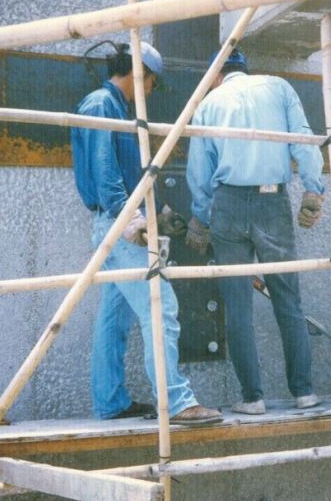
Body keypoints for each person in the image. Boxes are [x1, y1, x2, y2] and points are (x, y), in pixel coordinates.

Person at [71, 40, 222, 425]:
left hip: (112, 224)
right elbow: (107, 176)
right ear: (142, 74)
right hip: (118, 225)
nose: (152, 91)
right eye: (153, 82)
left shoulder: (111, 106)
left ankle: (110, 402)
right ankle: (176, 401)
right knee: (162, 307)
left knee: (114, 318)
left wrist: (159, 214)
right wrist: (134, 221)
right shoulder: (102, 106)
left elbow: (122, 176)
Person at [185, 48, 325, 415]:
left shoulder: (208, 103)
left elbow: (200, 172)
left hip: (228, 203)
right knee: (288, 300)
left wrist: (200, 219)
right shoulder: (278, 88)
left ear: (217, 74)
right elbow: (303, 137)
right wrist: (313, 189)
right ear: (247, 68)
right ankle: (304, 393)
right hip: (272, 201)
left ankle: (253, 398)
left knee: (238, 307)